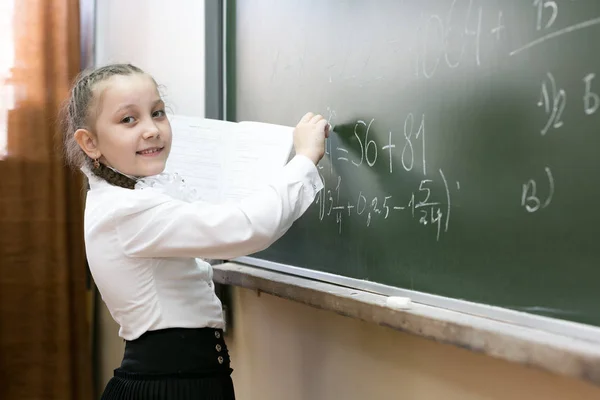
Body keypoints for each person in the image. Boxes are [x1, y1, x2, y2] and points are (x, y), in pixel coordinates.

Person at [60, 63, 328, 400]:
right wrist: (304, 158)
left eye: (157, 113)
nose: (151, 129)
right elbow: (248, 228)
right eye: (128, 119)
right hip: (169, 387)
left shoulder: (135, 196)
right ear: (89, 142)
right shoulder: (128, 211)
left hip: (184, 381)